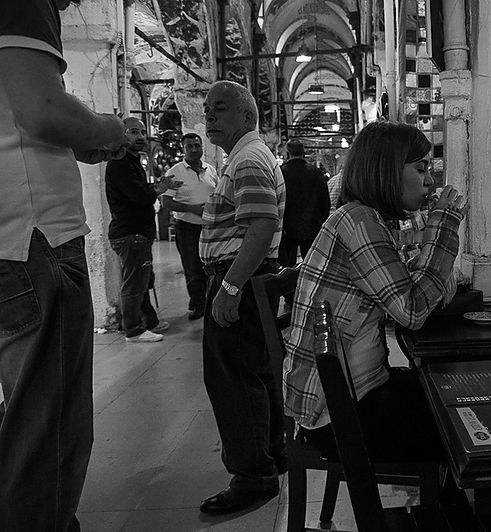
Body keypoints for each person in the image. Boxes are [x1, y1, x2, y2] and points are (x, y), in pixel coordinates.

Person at [0, 0, 128, 529]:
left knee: (23, 423)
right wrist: (108, 128)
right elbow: (42, 109)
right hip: (34, 238)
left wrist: (81, 139)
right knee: (48, 434)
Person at [283, 121, 465, 463]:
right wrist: (443, 227)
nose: (429, 181)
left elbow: (410, 291)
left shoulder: (362, 217)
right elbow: (412, 310)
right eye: (420, 169)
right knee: (459, 424)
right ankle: (439, 495)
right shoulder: (359, 222)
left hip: (347, 395)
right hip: (338, 415)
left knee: (449, 396)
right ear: (386, 171)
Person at [199, 80, 286, 514]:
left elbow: (261, 226)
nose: (209, 116)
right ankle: (271, 453)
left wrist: (230, 287)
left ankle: (253, 476)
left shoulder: (248, 158)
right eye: (207, 109)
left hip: (240, 278)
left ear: (247, 116)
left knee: (233, 380)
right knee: (255, 371)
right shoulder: (245, 156)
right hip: (248, 278)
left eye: (219, 108)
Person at [105, 117, 175, 342]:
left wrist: (157, 186)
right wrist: (158, 190)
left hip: (138, 232)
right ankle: (133, 329)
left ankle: (149, 321)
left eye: (143, 132)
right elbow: (138, 195)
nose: (141, 137)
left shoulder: (132, 162)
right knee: (135, 283)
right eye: (134, 132)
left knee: (143, 280)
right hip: (130, 232)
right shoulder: (120, 163)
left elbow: (139, 190)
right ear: (121, 135)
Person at [161, 133, 219, 320]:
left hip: (211, 228)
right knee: (192, 268)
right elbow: (166, 202)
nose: (194, 149)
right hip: (187, 228)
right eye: (189, 146)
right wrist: (191, 209)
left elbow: (218, 194)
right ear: (183, 149)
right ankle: (197, 304)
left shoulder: (210, 170)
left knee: (212, 266)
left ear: (202, 147)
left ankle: (212, 302)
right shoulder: (175, 172)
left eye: (197, 145)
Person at [278, 139, 330, 267]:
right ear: (303, 153)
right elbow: (325, 202)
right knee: (311, 266)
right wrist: (321, 221)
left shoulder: (281, 172)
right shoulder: (316, 173)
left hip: (287, 229)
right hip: (312, 227)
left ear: (287, 154)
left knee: (287, 269)